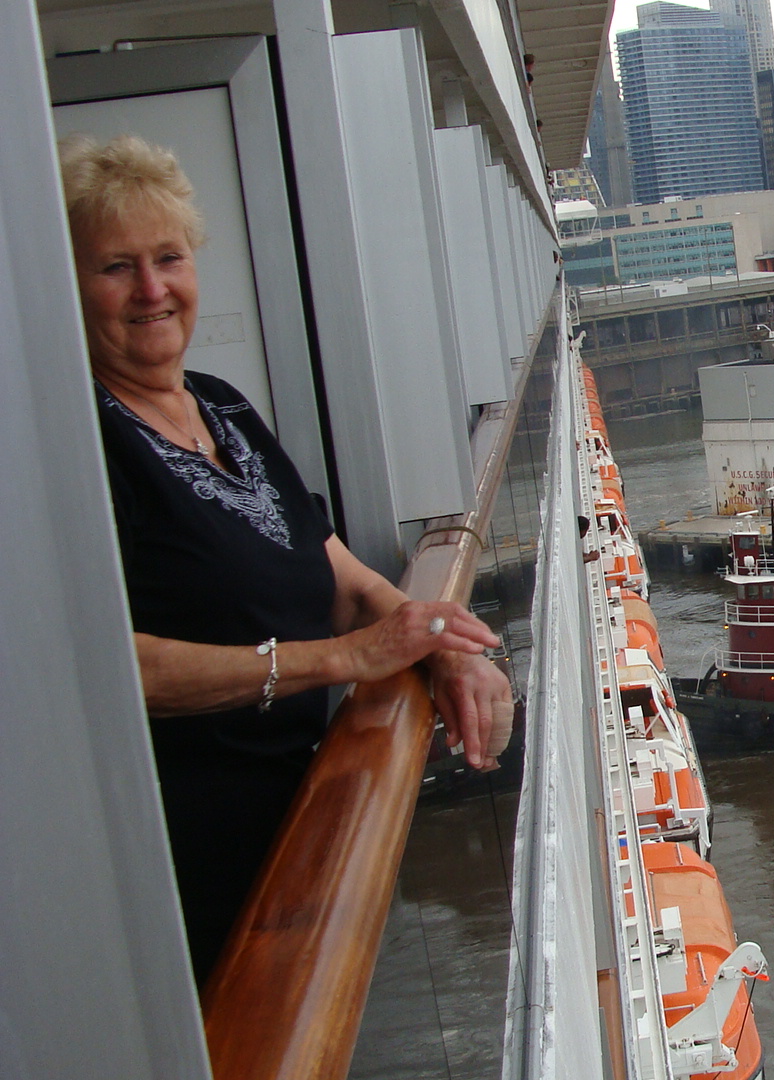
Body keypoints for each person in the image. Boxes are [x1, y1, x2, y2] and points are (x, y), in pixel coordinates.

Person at [61, 134, 514, 984]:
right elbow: (103, 668)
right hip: (193, 886)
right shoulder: (78, 448)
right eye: (114, 267)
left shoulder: (221, 406)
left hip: (304, 845)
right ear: (63, 285)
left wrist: (440, 642)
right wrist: (342, 660)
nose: (152, 289)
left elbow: (341, 575)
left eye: (168, 257)